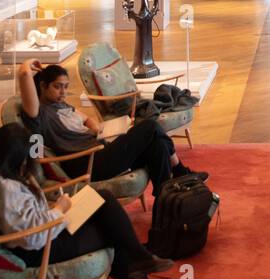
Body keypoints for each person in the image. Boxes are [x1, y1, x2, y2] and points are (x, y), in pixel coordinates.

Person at [0, 123, 172, 279]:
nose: (26, 163)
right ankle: (132, 274)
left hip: (46, 234)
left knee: (104, 200)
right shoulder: (3, 188)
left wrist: (55, 209)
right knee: (110, 224)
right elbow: (30, 236)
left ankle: (132, 273)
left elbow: (25, 218)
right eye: (23, 159)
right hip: (39, 250)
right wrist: (59, 210)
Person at [16, 60, 203, 196]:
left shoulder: (63, 107)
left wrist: (97, 128)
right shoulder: (38, 113)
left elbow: (87, 119)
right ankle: (179, 171)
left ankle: (166, 200)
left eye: (65, 87)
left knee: (158, 147)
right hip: (87, 163)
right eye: (57, 87)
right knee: (151, 126)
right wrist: (29, 65)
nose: (63, 92)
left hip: (102, 150)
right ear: (42, 86)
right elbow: (24, 75)